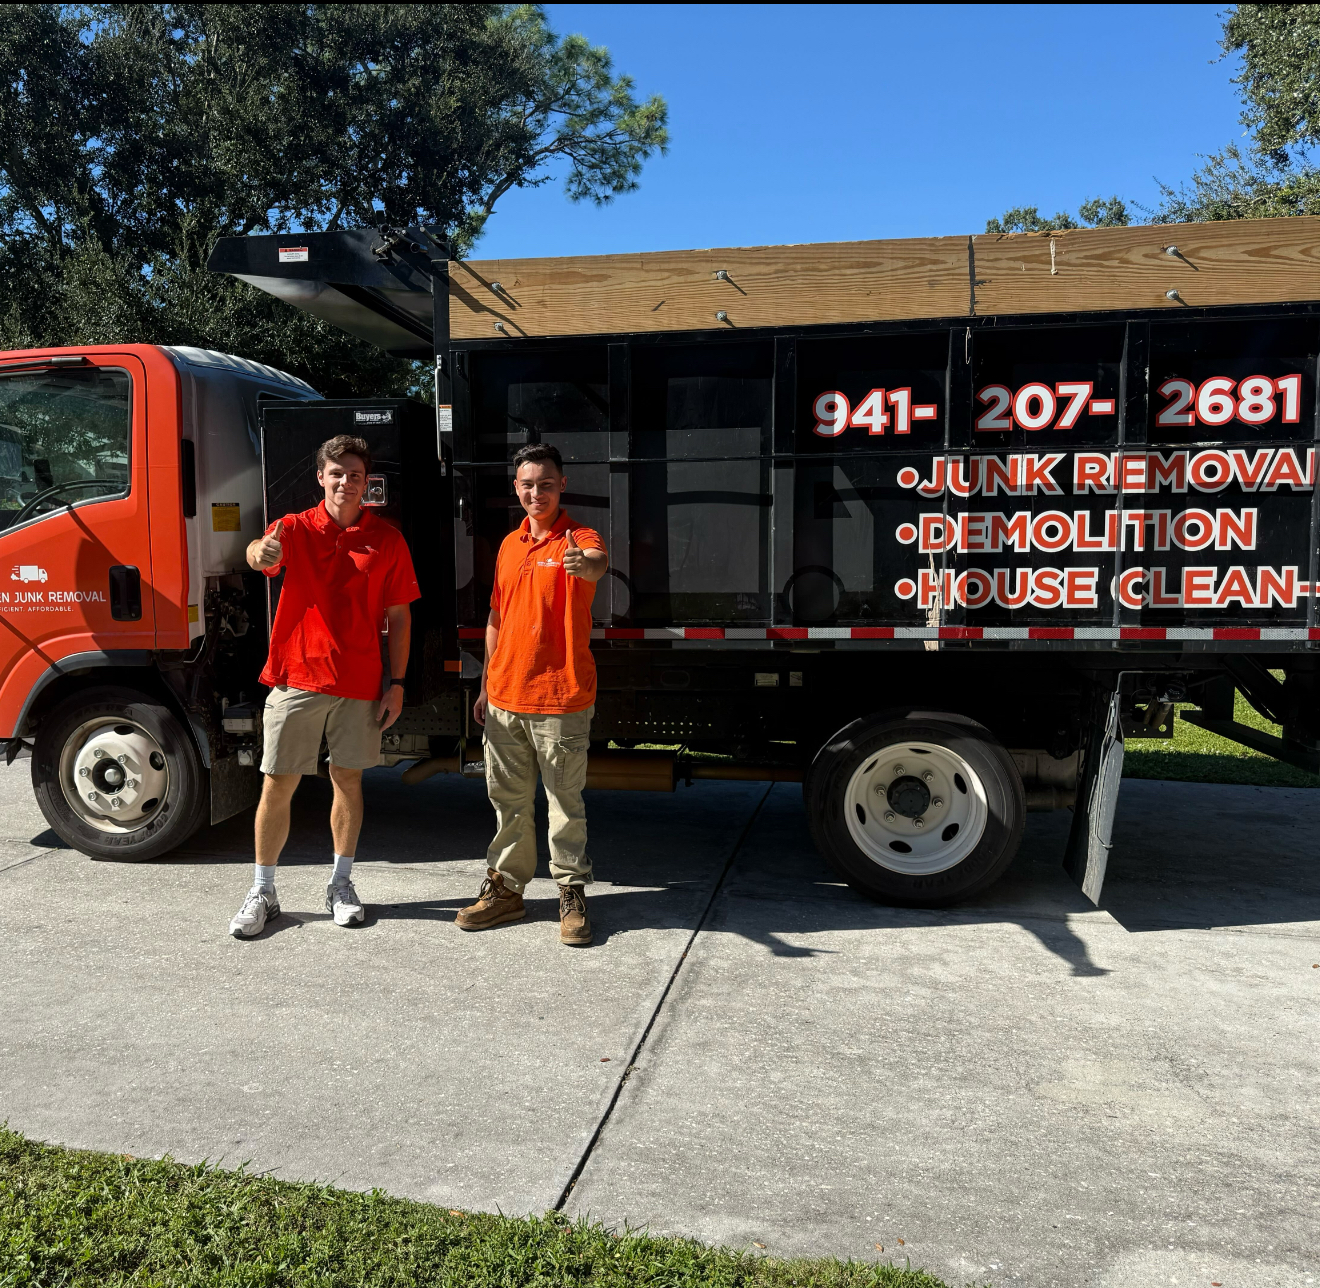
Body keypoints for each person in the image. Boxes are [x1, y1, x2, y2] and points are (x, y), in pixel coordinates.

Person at [228, 434, 420, 938]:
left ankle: (340, 884)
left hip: (360, 683)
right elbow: (259, 554)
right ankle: (262, 891)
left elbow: (399, 619)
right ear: (321, 478)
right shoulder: (292, 528)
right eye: (336, 473)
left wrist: (396, 683)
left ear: (366, 482)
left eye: (355, 475)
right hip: (296, 678)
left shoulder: (388, 540)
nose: (345, 482)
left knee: (349, 782)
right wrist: (257, 549)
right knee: (278, 783)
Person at [458, 442, 608, 945]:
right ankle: (506, 892)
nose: (536, 492)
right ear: (516, 487)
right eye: (527, 484)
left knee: (565, 804)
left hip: (559, 699)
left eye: (546, 483)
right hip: (504, 698)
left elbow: (594, 563)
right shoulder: (508, 545)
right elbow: (496, 618)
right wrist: (485, 684)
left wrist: (581, 563)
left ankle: (571, 893)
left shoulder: (578, 536)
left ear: (561, 485)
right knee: (508, 803)